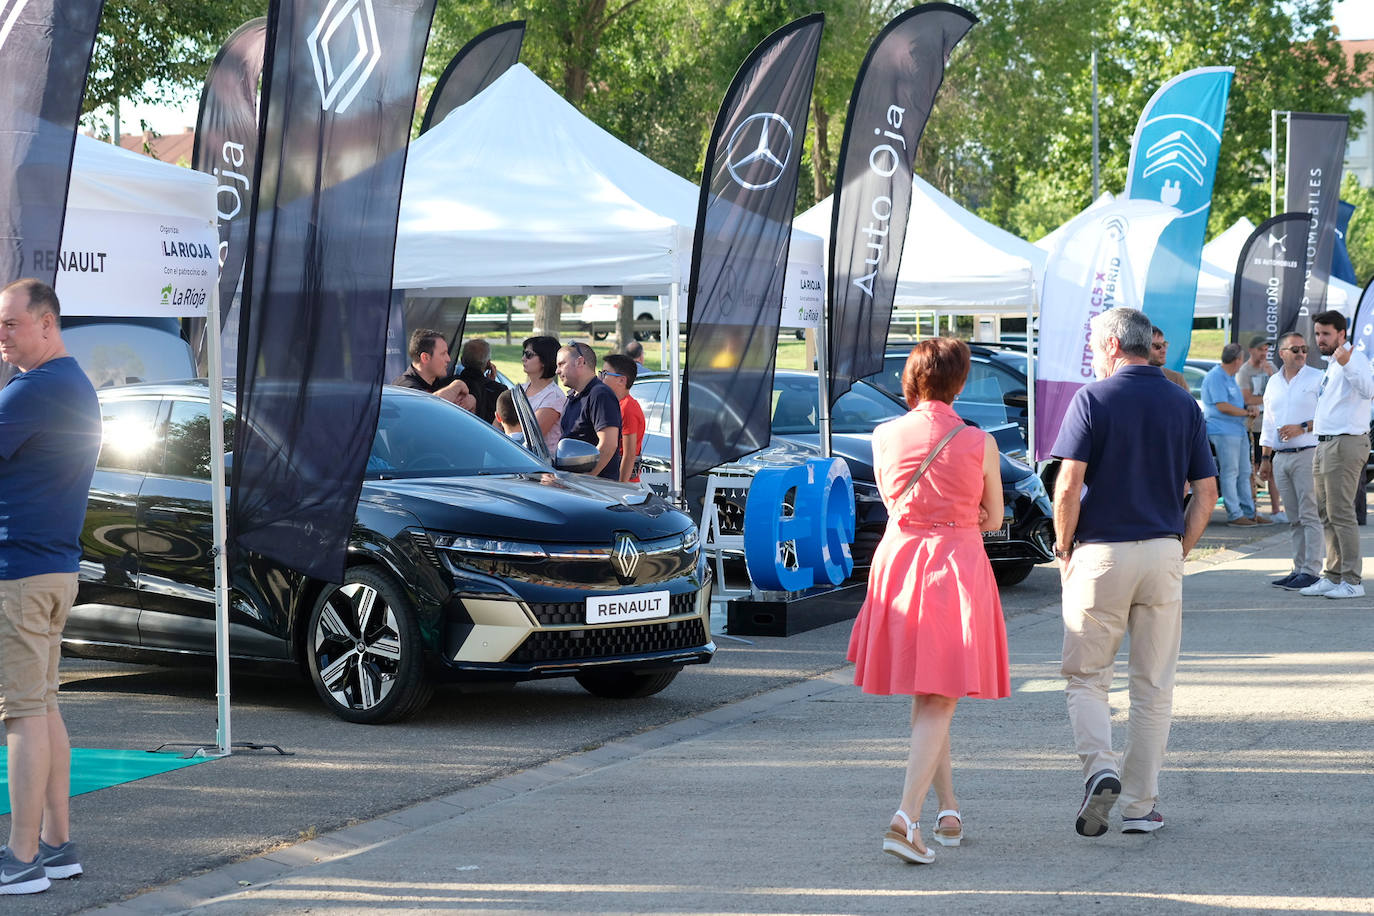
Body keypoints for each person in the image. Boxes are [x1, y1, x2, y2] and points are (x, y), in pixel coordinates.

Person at [1051, 307, 1217, 838]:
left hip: (1101, 553)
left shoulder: (1093, 399)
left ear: (1114, 346)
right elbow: (1206, 493)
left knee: (1086, 677)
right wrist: (1180, 547)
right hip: (1163, 551)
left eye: (1097, 347)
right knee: (1153, 686)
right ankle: (1141, 805)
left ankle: (1100, 768)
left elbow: (1069, 483)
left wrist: (1062, 547)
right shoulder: (1183, 402)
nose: (1094, 356)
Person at [846, 337, 1009, 865]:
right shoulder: (978, 441)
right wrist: (962, 517)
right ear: (960, 381)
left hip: (898, 561)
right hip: (954, 565)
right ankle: (905, 817)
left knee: (931, 692)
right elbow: (996, 517)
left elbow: (893, 500)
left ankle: (948, 808)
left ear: (911, 379)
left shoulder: (883, 434)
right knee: (940, 694)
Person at [0, 279, 103, 894]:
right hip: (52, 567)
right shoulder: (69, 383)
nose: (1, 335)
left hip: (22, 572)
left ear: (46, 324)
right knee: (43, 707)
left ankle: (20, 858)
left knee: (22, 714)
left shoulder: (36, 390)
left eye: (9, 324)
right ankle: (57, 846)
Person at [1298, 310, 1374, 599]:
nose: (1320, 339)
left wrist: (1348, 363)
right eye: (1317, 333)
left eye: (1326, 334)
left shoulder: (1355, 359)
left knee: (1341, 513)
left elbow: (1369, 390)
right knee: (1326, 513)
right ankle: (1333, 575)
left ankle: (1353, 582)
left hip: (1345, 442)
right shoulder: (1332, 364)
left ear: (1342, 334)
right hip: (1326, 442)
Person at [1259, 331, 1324, 591]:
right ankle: (1298, 569)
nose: (1301, 354)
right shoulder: (1274, 382)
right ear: (1282, 353)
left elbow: (1331, 417)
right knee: (1294, 518)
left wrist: (1303, 427)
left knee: (1310, 515)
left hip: (1308, 452)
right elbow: (1268, 423)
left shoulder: (1318, 378)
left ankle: (1312, 570)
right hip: (1281, 457)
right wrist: (1265, 458)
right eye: (1295, 349)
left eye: (1304, 349)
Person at [1202, 343, 1267, 526]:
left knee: (1245, 471)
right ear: (1237, 360)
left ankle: (1250, 512)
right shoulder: (1216, 377)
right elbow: (1222, 406)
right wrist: (1246, 413)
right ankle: (1235, 514)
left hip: (1237, 430)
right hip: (1223, 430)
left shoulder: (1230, 377)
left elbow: (1235, 404)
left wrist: (1248, 408)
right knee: (1230, 472)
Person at [555, 341, 621, 480]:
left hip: (597, 491)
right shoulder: (573, 396)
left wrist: (585, 480)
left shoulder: (600, 394)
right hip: (573, 486)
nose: (557, 371)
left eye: (561, 364)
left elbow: (608, 444)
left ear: (580, 362)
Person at [1237, 334, 1282, 521]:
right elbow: (1247, 398)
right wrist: (1268, 397)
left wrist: (1271, 376)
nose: (1264, 353)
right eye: (1260, 349)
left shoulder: (1272, 368)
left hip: (1271, 426)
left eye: (1266, 349)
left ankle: (1276, 510)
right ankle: (1252, 510)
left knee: (1273, 469)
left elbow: (1281, 392)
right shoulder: (1244, 371)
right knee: (1253, 469)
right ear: (1251, 351)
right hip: (1254, 426)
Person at [392, 329, 476, 413]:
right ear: (425, 358)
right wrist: (457, 386)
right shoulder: (403, 386)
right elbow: (427, 407)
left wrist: (471, 401)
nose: (448, 359)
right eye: (443, 354)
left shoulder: (439, 384)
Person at [600, 353, 645, 483]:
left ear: (621, 380)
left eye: (605, 373)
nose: (600, 378)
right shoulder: (615, 403)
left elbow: (629, 454)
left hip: (624, 483)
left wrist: (621, 486)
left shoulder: (628, 407)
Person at [519, 335, 567, 454]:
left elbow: (531, 436)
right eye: (523, 353)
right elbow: (498, 422)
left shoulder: (554, 397)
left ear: (545, 360)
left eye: (529, 355)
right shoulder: (520, 390)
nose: (523, 358)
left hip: (539, 465)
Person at [456, 338, 506, 425]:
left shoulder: (449, 384)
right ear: (488, 364)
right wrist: (493, 385)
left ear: (462, 360)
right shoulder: (498, 392)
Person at [1148, 326, 1190, 392]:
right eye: (1157, 346)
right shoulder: (1130, 378)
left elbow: (1189, 402)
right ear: (1142, 348)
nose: (1163, 351)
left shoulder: (1176, 379)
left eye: (1164, 345)